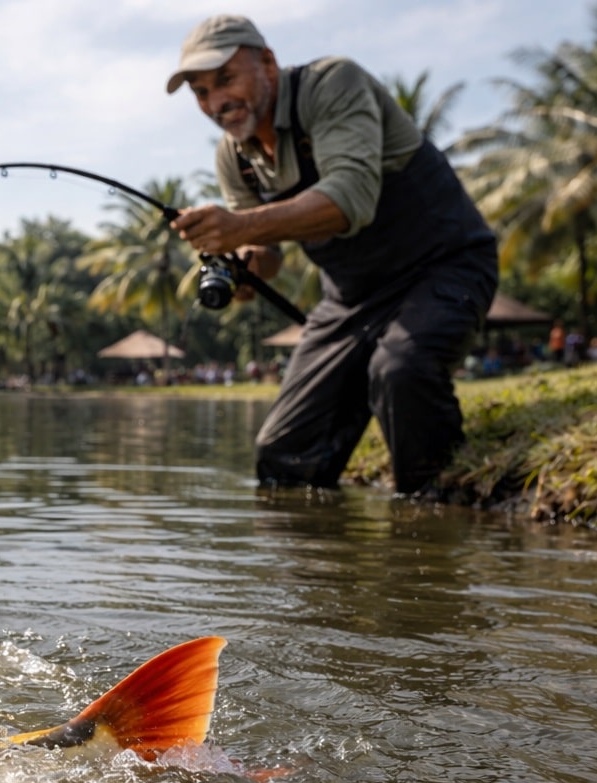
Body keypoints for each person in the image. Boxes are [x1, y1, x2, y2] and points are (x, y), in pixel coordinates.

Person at [166, 15, 498, 495]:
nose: (216, 103)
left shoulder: (332, 83)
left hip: (446, 266)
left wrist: (240, 226)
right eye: (200, 93)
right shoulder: (232, 155)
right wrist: (245, 269)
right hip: (348, 300)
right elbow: (266, 252)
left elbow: (350, 199)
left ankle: (440, 518)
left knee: (400, 371)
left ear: (268, 63)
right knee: (282, 459)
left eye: (225, 80)